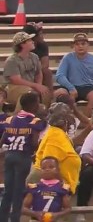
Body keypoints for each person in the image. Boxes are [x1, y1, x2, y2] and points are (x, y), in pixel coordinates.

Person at [0, 91, 46, 222]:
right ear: (33, 105)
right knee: (19, 191)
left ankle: (2, 218)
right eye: (38, 103)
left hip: (10, 155)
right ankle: (15, 219)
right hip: (23, 156)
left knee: (8, 190)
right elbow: (34, 143)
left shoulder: (10, 119)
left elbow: (2, 141)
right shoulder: (35, 121)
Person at [54, 32, 93, 123]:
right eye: (77, 44)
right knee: (59, 92)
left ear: (88, 45)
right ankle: (66, 121)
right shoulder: (67, 58)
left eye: (83, 43)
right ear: (73, 46)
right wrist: (71, 88)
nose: (80, 46)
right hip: (70, 85)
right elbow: (59, 76)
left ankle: (83, 122)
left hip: (88, 87)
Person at [33, 102, 81, 194]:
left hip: (56, 186)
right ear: (65, 121)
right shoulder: (55, 136)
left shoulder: (59, 133)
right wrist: (62, 187)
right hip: (50, 188)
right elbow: (48, 167)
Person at [5, 31, 51, 109]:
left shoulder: (34, 57)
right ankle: (18, 115)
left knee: (45, 92)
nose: (33, 41)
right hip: (13, 87)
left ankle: (42, 113)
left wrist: (39, 85)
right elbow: (16, 80)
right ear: (22, 44)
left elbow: (38, 73)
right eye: (29, 40)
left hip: (31, 86)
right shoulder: (12, 60)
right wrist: (35, 86)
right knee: (28, 94)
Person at [22, 157, 72, 222]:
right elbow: (23, 208)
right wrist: (35, 214)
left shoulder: (62, 188)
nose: (47, 169)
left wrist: (57, 215)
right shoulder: (34, 187)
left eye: (51, 167)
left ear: (57, 170)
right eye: (43, 168)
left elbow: (68, 208)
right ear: (40, 171)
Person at [21, 22, 54, 94]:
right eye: (40, 34)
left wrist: (36, 71)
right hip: (24, 71)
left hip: (36, 70)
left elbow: (45, 64)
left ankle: (50, 96)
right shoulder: (22, 47)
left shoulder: (43, 45)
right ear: (34, 37)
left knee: (47, 72)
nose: (43, 36)